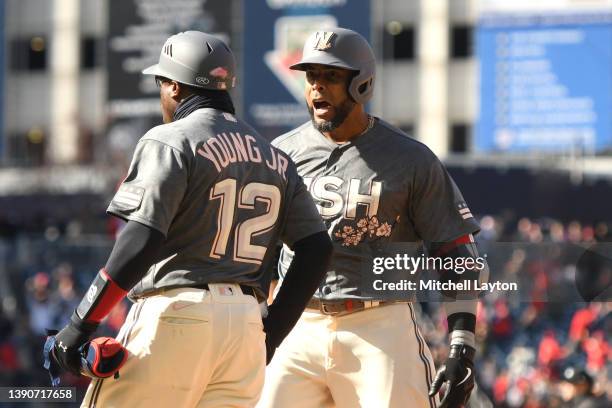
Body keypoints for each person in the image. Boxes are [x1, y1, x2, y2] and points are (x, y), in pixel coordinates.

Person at [48, 31, 332, 408]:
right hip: (246, 327)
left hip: (178, 314)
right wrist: (272, 332)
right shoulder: (274, 156)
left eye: (162, 82)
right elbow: (316, 248)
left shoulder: (170, 139)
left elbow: (141, 239)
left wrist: (80, 324)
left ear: (175, 87)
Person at [258, 27, 486, 408]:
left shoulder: (410, 158)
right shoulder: (282, 152)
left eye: (331, 76)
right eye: (312, 76)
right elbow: (260, 250)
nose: (317, 87)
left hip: (379, 326)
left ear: (361, 83)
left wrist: (462, 344)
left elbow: (455, 252)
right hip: (296, 323)